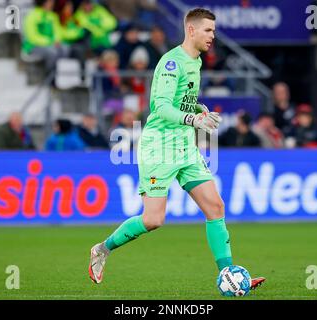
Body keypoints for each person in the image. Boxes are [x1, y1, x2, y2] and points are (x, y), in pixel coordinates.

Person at [88, 8, 266, 290]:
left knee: (215, 206)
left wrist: (198, 109)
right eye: (208, 31)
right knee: (154, 219)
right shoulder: (172, 63)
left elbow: (181, 99)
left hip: (185, 146)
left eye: (214, 31)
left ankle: (228, 273)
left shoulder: (196, 62)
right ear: (191, 30)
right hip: (159, 147)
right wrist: (192, 118)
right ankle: (102, 249)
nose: (212, 36)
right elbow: (160, 106)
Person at [22, 0, 70, 76]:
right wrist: (50, 41)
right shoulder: (32, 16)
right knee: (52, 52)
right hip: (33, 45)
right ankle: (49, 80)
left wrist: (56, 40)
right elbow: (32, 37)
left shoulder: (52, 16)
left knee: (66, 49)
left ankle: (58, 76)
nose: (52, 3)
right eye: (50, 1)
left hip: (51, 44)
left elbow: (58, 31)